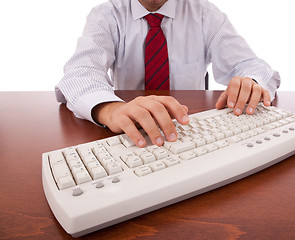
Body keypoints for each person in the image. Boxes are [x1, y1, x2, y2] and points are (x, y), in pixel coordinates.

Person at [56, 0, 281, 148]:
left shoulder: (205, 13)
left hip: (193, 131)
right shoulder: (106, 15)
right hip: (133, 133)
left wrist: (250, 82)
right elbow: (80, 74)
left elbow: (254, 66)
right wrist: (110, 110)